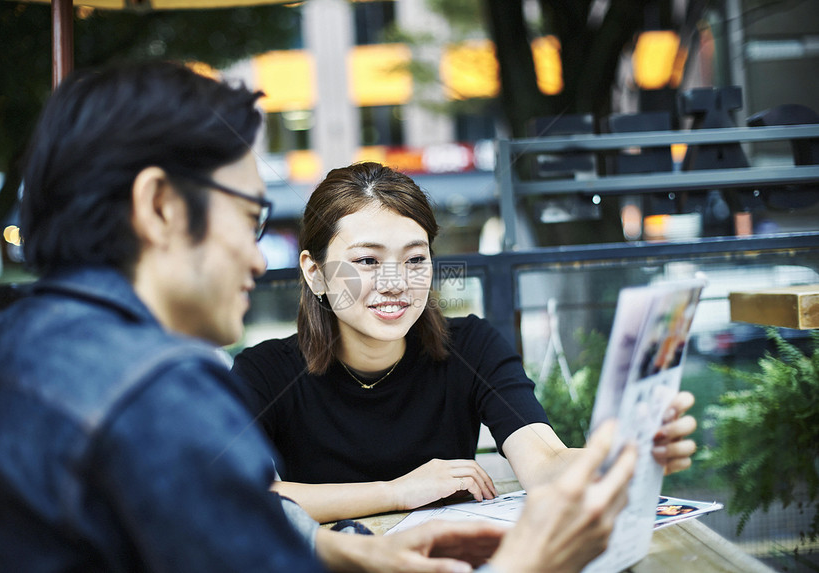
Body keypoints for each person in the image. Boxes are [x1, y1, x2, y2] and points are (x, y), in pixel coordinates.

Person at [0, 60, 638, 573]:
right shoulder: (157, 391)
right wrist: (533, 563)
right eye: (249, 217)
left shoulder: (1, 345)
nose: (258, 261)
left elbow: (213, 521)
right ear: (161, 206)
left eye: (415, 256)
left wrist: (347, 553)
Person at [232, 162, 698, 524]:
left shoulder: (471, 346)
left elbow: (546, 460)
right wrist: (395, 492)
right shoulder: (263, 372)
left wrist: (617, 458)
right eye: (368, 260)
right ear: (315, 272)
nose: (395, 282)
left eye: (415, 259)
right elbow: (238, 495)